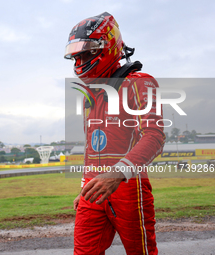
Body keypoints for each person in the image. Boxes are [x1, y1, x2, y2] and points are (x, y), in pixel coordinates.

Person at [64, 12, 165, 255]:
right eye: (77, 55)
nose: (81, 60)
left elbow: (154, 137)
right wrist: (84, 186)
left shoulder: (140, 82)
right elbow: (92, 147)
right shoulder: (92, 95)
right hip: (93, 187)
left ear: (108, 46)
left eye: (87, 52)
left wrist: (116, 173)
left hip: (129, 186)